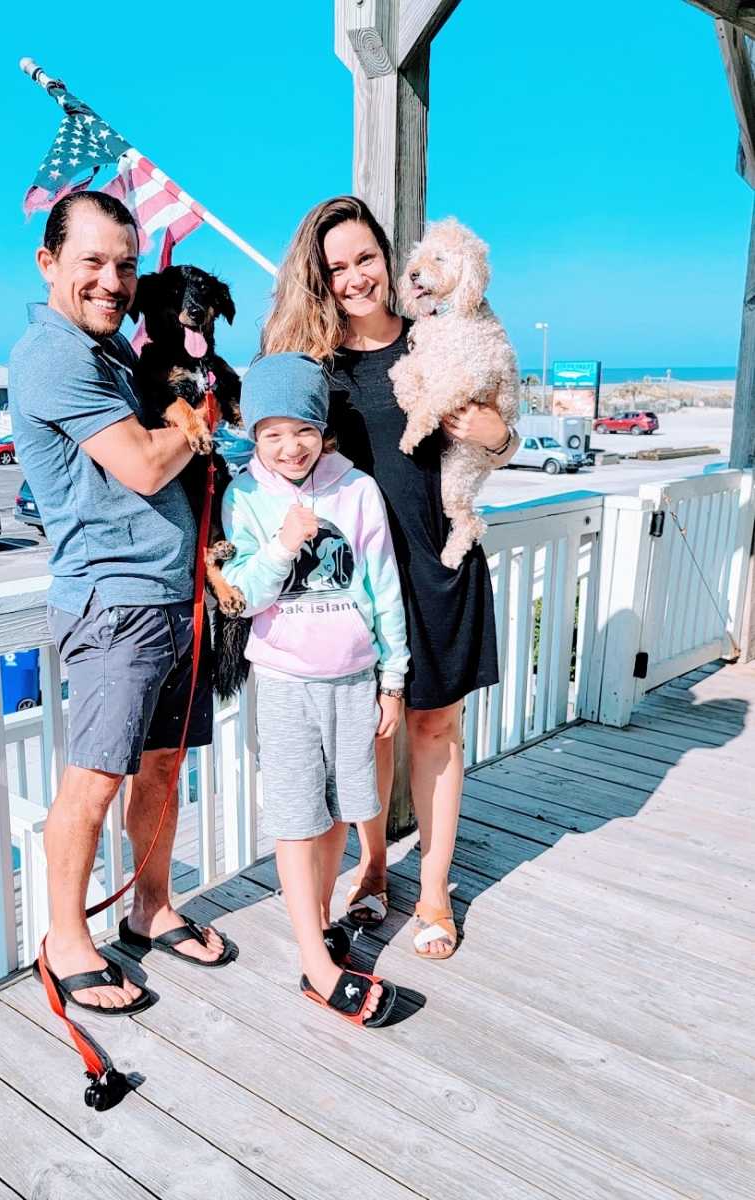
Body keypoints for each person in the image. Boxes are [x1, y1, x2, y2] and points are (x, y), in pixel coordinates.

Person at [261, 197, 519, 959]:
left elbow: (497, 420)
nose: (354, 278)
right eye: (336, 267)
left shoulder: (438, 338)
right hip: (352, 586)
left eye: (365, 258)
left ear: (389, 258)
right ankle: (374, 866)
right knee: (368, 735)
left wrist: (501, 439)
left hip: (440, 563)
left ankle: (435, 888)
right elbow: (271, 454)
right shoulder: (315, 372)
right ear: (320, 277)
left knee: (435, 729)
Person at [10, 191, 234, 1016]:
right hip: (116, 607)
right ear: (49, 265)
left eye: (126, 266)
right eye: (92, 263)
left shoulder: (109, 355)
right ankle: (67, 942)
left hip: (175, 602)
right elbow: (142, 464)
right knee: (94, 783)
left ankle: (149, 908)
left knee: (163, 767)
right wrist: (203, 416)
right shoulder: (54, 355)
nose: (112, 282)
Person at [221, 352, 407, 1026]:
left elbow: (382, 585)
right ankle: (317, 965)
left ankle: (322, 923)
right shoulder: (243, 496)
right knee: (299, 821)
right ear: (252, 432)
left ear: (322, 428)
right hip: (285, 682)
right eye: (271, 432)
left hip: (355, 679)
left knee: (335, 814)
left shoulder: (356, 490)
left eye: (302, 429)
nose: (288, 446)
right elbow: (240, 600)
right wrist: (280, 546)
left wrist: (395, 677)